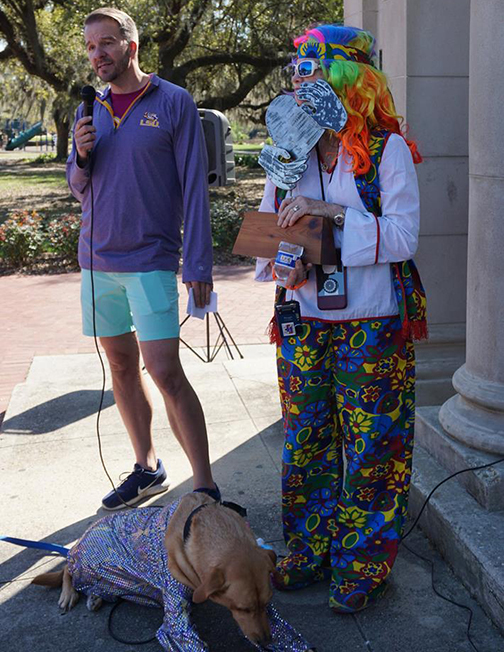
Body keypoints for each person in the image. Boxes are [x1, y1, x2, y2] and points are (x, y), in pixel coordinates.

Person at [256, 24, 427, 613]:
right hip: (304, 319)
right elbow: (269, 233)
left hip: (372, 322)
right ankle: (308, 553)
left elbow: (403, 235)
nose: (301, 84)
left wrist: (328, 212)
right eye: (297, 72)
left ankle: (362, 566)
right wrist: (284, 267)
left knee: (371, 447)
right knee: (305, 440)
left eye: (314, 71)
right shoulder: (290, 152)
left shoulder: (387, 149)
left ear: (348, 79)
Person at [67, 7, 218, 510]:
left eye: (106, 43)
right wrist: (82, 157)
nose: (97, 55)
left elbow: (196, 189)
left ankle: (204, 486)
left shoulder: (173, 102)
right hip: (96, 261)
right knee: (121, 367)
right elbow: (75, 186)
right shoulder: (88, 109)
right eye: (90, 47)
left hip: (151, 259)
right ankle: (147, 467)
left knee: (166, 372)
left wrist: (198, 264)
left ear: (131, 46)